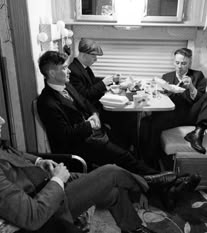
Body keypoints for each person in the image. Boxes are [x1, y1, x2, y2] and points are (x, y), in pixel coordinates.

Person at [0, 114, 162, 233]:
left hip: (45, 180)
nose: (2, 121)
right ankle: (154, 185)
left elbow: (15, 154)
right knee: (111, 172)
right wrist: (57, 179)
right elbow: (32, 216)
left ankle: (134, 228)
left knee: (113, 189)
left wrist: (38, 161)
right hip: (47, 204)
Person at [37, 50, 178, 186]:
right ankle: (165, 180)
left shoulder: (66, 85)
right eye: (64, 68)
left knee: (125, 140)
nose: (69, 71)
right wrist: (89, 125)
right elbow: (64, 136)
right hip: (80, 144)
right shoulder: (47, 102)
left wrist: (94, 114)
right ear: (52, 73)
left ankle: (154, 179)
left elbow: (85, 102)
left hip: (93, 134)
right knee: (124, 156)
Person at [143, 48, 207, 165]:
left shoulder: (198, 75)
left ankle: (197, 133)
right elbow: (161, 99)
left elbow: (201, 99)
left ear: (189, 63)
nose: (180, 67)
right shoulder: (166, 77)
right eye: (177, 63)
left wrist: (191, 87)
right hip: (173, 116)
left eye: (184, 63)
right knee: (147, 122)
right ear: (174, 62)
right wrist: (163, 91)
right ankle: (151, 161)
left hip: (192, 114)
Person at [68, 38, 137, 149]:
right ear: (84, 54)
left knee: (129, 114)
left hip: (96, 105)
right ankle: (124, 147)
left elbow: (92, 82)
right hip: (91, 110)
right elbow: (85, 94)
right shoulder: (73, 71)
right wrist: (104, 83)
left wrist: (111, 79)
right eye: (93, 56)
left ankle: (127, 145)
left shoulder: (84, 68)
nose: (96, 59)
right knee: (126, 116)